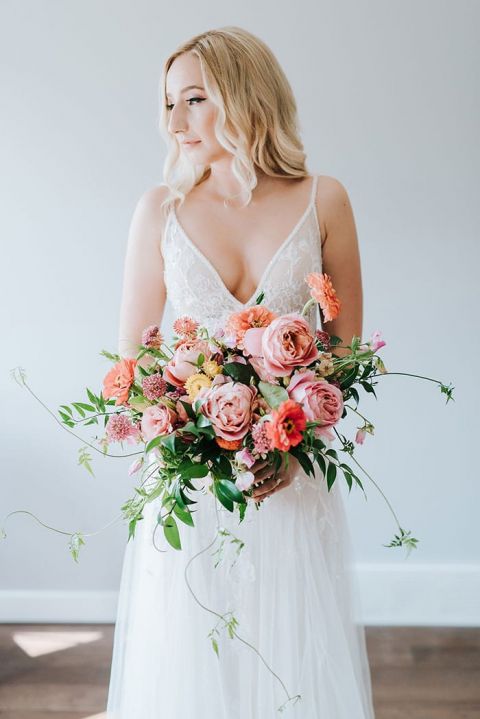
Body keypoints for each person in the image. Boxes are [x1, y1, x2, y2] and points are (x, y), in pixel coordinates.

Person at [106, 25, 375, 718]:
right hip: (195, 487)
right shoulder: (159, 212)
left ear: (245, 95)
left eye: (194, 99)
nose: (175, 122)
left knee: (290, 658)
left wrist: (291, 442)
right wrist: (188, 430)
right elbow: (134, 362)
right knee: (194, 662)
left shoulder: (326, 199)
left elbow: (342, 351)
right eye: (169, 104)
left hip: (288, 478)